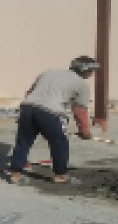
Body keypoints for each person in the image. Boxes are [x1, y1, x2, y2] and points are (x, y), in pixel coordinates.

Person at [8, 55, 100, 184]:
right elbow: (79, 111)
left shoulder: (49, 73)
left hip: (27, 108)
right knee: (59, 143)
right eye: (91, 71)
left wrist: (27, 115)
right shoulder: (81, 85)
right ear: (85, 70)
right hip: (50, 113)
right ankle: (60, 175)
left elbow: (30, 92)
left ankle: (15, 174)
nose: (92, 74)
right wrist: (85, 132)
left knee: (23, 142)